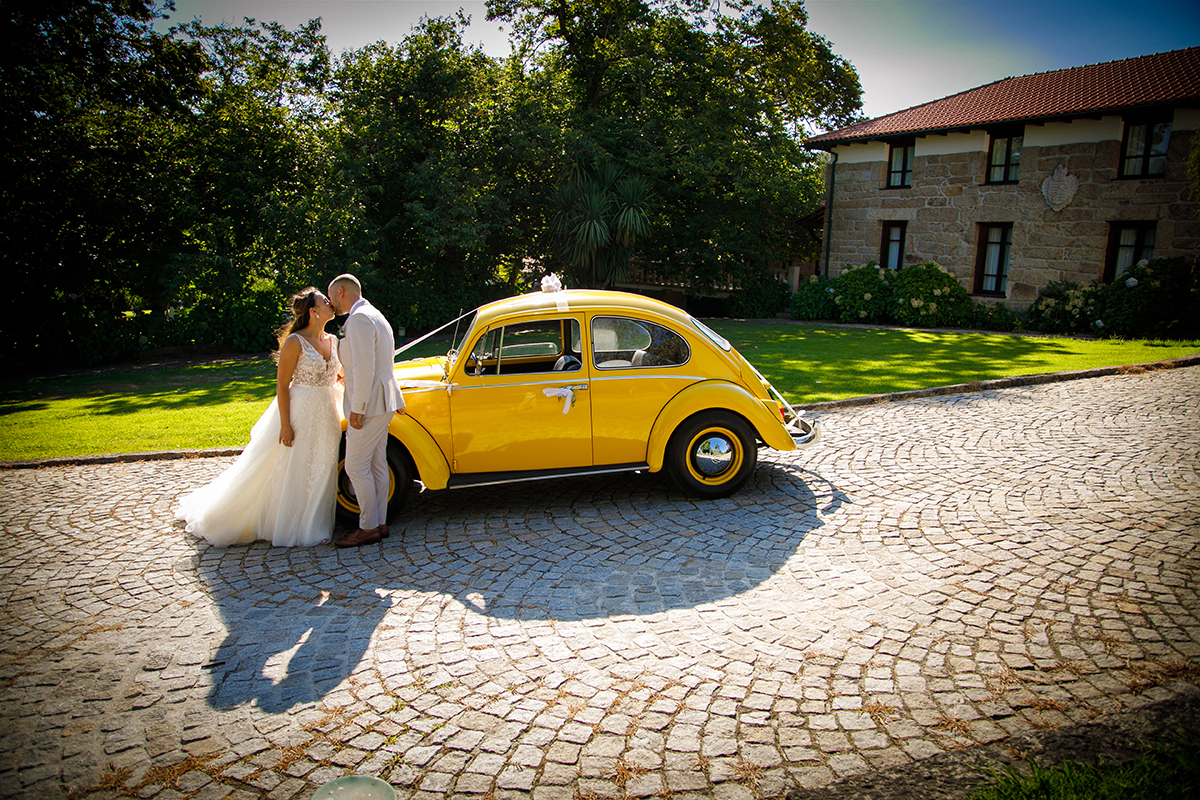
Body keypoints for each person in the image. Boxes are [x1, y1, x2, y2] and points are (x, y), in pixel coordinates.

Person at [175, 288, 343, 547]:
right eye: (324, 301)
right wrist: (285, 425)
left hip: (327, 412)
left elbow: (336, 373)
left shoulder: (334, 340)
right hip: (300, 411)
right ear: (313, 311)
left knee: (321, 464)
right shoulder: (295, 342)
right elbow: (282, 385)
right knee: (292, 465)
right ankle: (286, 523)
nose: (330, 303)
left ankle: (314, 522)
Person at [327, 274, 405, 548]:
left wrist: (357, 409)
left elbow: (364, 369)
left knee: (355, 466)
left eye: (332, 298)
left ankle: (368, 527)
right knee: (376, 463)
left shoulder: (359, 319)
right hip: (384, 400)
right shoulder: (375, 314)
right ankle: (380, 523)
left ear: (340, 292)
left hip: (370, 403)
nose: (332, 304)